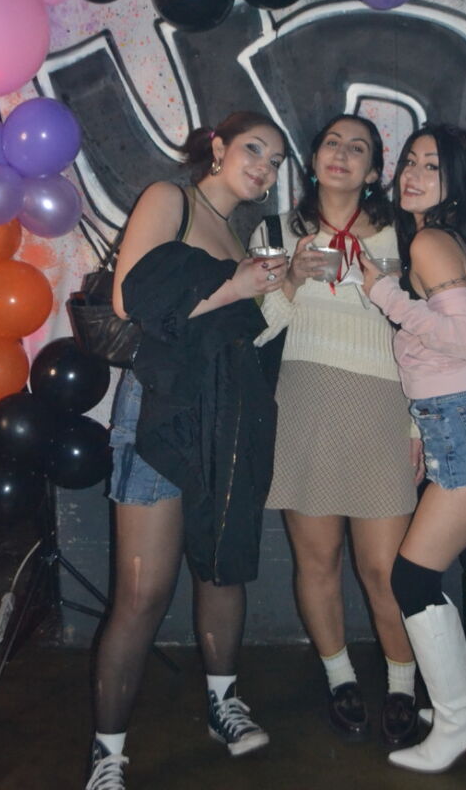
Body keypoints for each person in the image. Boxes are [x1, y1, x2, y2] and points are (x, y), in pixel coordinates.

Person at [85, 112, 289, 790]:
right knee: (143, 591)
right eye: (254, 148)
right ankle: (107, 754)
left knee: (221, 567)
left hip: (224, 411)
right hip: (159, 407)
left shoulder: (242, 235)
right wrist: (237, 286)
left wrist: (281, 288)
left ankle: (223, 705)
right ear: (218, 147)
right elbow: (129, 301)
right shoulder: (169, 199)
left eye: (275, 160)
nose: (264, 166)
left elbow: (242, 332)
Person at [361, 123, 466, 774]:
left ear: (456, 182)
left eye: (430, 167)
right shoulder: (459, 241)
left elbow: (461, 341)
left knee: (412, 577)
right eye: (409, 161)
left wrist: (383, 293)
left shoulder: (430, 242)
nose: (411, 175)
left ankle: (460, 719)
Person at [251, 114, 421, 749]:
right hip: (303, 402)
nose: (342, 155)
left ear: (374, 170)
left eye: (358, 148)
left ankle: (402, 683)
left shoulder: (406, 233)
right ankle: (340, 677)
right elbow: (256, 329)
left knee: (384, 570)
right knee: (317, 560)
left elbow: (423, 334)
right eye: (332, 143)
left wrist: (417, 424)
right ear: (313, 157)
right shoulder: (274, 232)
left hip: (384, 405)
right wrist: (293, 276)